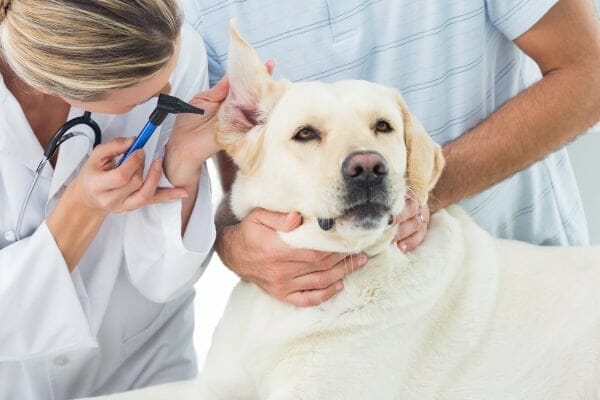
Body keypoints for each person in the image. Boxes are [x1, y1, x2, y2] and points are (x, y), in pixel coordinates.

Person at [182, 0, 600, 306]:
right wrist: (235, 246)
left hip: (519, 289)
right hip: (335, 327)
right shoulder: (199, 11)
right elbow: (246, 172)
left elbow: (589, 76)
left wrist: (420, 191)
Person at [0, 1, 226, 398]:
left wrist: (182, 161)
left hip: (145, 367)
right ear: (48, 86)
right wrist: (82, 208)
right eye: (142, 100)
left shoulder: (167, 40)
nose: (169, 92)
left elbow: (164, 278)